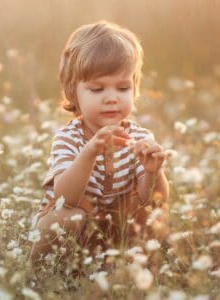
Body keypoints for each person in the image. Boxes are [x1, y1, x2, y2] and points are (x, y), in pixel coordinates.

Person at [29, 20, 170, 272]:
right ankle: (42, 276)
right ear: (73, 93)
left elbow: (153, 200)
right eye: (97, 89)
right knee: (66, 216)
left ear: (135, 89)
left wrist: (153, 172)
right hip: (73, 232)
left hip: (113, 237)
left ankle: (133, 271)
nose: (112, 98)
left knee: (153, 214)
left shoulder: (139, 138)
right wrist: (90, 152)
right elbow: (64, 197)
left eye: (123, 87)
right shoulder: (69, 138)